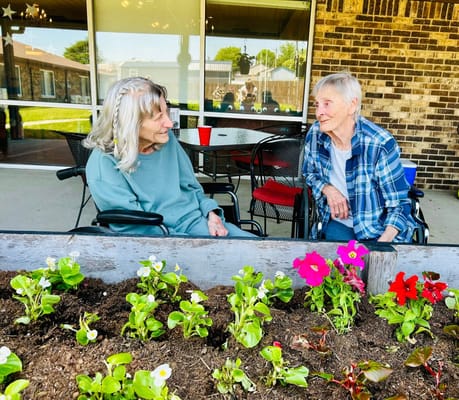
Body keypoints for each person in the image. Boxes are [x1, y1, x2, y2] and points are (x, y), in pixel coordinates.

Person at [83, 77, 255, 237]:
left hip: (198, 224)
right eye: (159, 117)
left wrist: (211, 213)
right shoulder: (104, 162)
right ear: (130, 123)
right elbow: (136, 229)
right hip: (158, 240)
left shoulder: (166, 140)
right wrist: (190, 244)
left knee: (264, 252)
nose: (169, 123)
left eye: (167, 113)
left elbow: (191, 186)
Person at [303, 72, 416, 243]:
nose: (319, 113)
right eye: (317, 105)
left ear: (352, 105)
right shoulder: (316, 133)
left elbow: (399, 205)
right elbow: (308, 173)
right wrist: (328, 189)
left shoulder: (379, 144)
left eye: (327, 104)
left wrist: (380, 248)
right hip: (338, 225)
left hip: (379, 232)